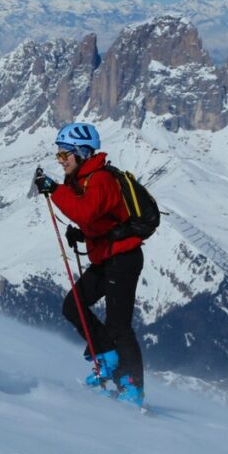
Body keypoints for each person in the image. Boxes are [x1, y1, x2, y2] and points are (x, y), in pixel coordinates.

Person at [32, 122, 146, 407]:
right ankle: (107, 357)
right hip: (107, 257)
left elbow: (86, 212)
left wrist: (54, 190)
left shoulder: (101, 179)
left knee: (119, 325)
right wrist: (83, 235)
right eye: (59, 156)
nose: (60, 160)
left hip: (123, 260)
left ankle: (132, 387)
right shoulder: (84, 179)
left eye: (63, 155)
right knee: (73, 306)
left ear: (81, 152)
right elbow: (99, 220)